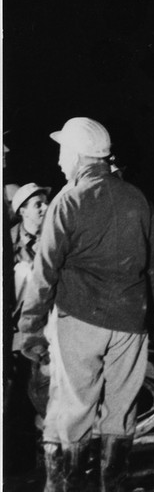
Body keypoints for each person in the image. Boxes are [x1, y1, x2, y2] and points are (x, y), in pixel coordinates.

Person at [17, 118, 154, 492]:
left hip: (80, 319)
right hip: (130, 322)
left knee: (77, 407)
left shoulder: (68, 201)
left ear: (79, 155)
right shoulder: (136, 198)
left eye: (64, 151)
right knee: (121, 409)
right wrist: (153, 312)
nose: (61, 159)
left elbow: (44, 272)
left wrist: (29, 327)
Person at [9, 183, 52, 429]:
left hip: (47, 325)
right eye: (38, 204)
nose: (45, 207)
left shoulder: (55, 236)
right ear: (23, 211)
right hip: (18, 328)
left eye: (45, 202)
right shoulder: (8, 243)